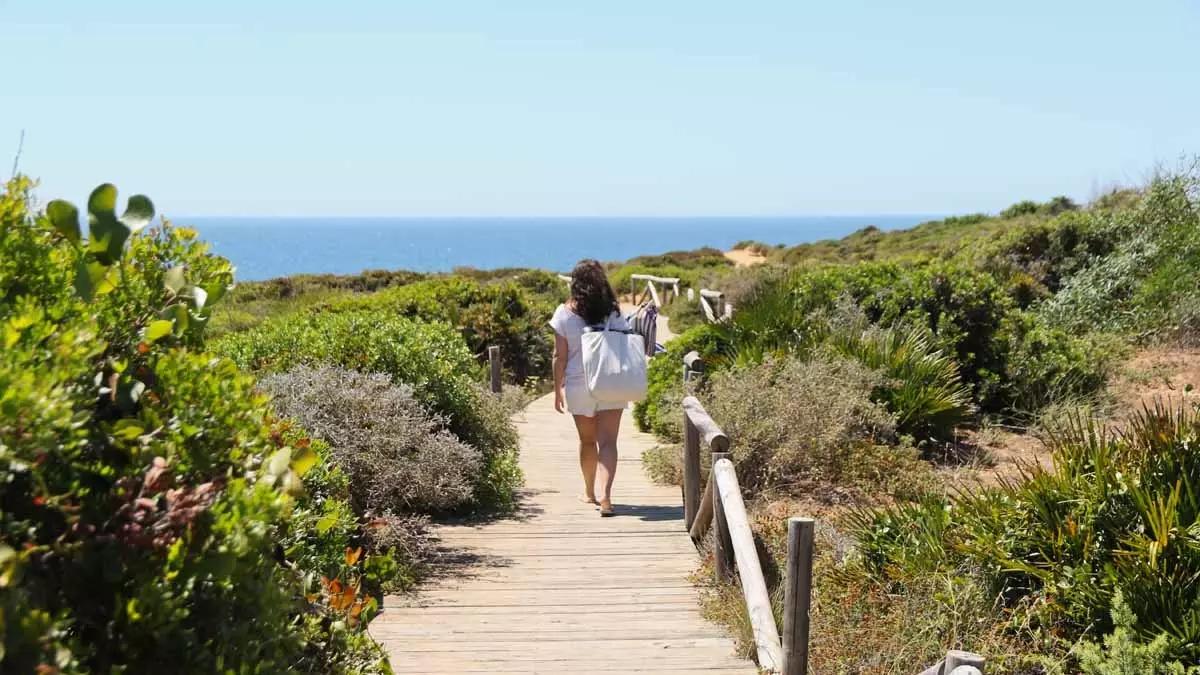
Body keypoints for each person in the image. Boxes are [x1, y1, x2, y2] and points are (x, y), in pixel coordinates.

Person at [548, 259, 632, 517]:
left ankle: (589, 493)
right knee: (608, 442)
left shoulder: (564, 314)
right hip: (610, 383)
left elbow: (559, 356)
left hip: (578, 383)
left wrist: (556, 389)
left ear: (575, 283)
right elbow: (626, 343)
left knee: (587, 441)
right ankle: (606, 497)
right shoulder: (614, 312)